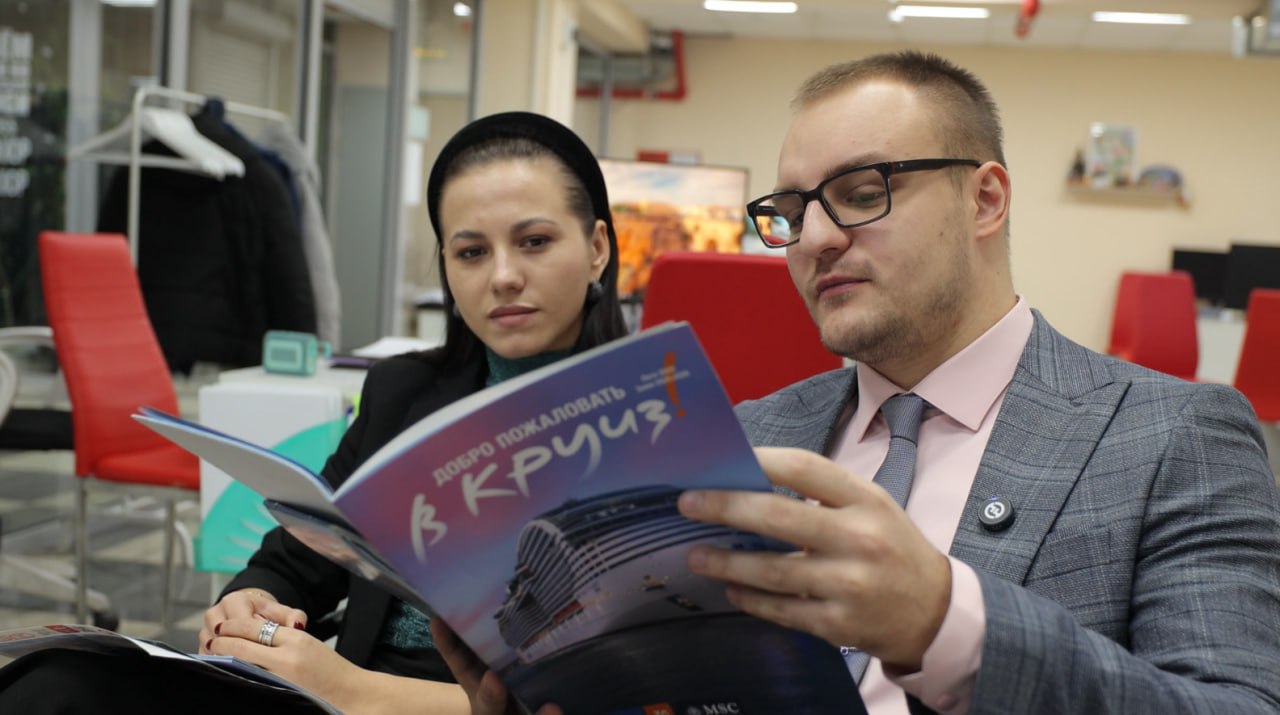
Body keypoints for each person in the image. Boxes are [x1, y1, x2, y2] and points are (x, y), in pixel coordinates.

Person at [444, 50, 1280, 715]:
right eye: (792, 211)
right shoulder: (746, 433)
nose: (814, 239)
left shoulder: (1172, 434)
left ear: (985, 199)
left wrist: (945, 624)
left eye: (859, 192)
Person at [0, 111, 625, 715]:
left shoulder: (649, 424)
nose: (504, 276)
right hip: (329, 691)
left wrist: (359, 694)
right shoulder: (403, 392)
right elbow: (298, 558)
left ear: (597, 247)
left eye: (535, 242)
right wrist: (252, 601)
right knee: (59, 684)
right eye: (471, 252)